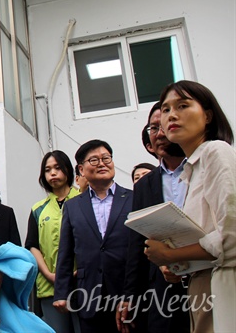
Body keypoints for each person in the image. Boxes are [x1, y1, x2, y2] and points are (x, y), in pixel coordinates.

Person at [143, 81, 235, 333]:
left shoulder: (216, 152)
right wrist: (180, 267)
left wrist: (170, 255)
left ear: (207, 115)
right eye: (166, 109)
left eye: (183, 105)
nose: (171, 115)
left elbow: (231, 239)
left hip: (224, 289)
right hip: (200, 289)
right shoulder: (191, 171)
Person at [118, 102, 189, 333]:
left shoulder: (206, 169)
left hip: (210, 280)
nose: (159, 133)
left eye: (163, 126)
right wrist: (130, 297)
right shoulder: (145, 186)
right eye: (152, 128)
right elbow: (137, 244)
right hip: (163, 289)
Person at [53, 139, 133, 333]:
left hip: (127, 292)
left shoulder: (133, 198)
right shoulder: (73, 206)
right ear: (81, 169)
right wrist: (61, 292)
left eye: (106, 158)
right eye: (94, 160)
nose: (102, 163)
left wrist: (133, 293)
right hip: (88, 294)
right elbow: (65, 251)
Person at [25, 151, 81, 333]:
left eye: (58, 168)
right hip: (50, 287)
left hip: (82, 283)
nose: (53, 173)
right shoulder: (38, 209)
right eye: (48, 170)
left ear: (68, 170)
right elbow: (32, 245)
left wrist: (78, 270)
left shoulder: (83, 200)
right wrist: (49, 274)